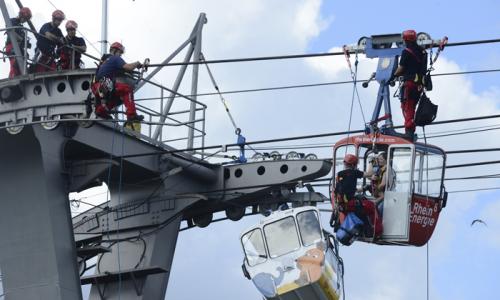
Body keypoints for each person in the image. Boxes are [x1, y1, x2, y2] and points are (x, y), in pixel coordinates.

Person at [92, 42, 144, 121]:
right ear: (114, 50)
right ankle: (131, 115)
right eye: (120, 52)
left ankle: (101, 110)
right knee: (127, 89)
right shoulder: (115, 58)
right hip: (105, 85)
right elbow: (128, 67)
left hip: (97, 87)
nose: (120, 55)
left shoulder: (104, 61)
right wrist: (137, 63)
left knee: (117, 98)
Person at [334, 154, 382, 238]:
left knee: (362, 207)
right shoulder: (354, 172)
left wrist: (363, 189)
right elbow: (370, 173)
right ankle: (377, 232)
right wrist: (371, 161)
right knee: (371, 206)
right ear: (353, 165)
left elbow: (344, 189)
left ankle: (366, 229)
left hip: (342, 206)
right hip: (350, 204)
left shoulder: (339, 174)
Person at [393, 29, 427, 140]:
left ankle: (409, 131)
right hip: (419, 86)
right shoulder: (422, 52)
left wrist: (392, 76)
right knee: (412, 106)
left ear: (406, 40)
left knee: (407, 107)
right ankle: (410, 129)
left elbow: (401, 69)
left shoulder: (406, 52)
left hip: (409, 84)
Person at [4, 7, 32, 78]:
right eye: (25, 18)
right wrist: (21, 39)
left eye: (27, 19)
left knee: (21, 66)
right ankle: (11, 80)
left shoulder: (20, 26)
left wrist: (26, 42)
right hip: (12, 46)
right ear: (21, 15)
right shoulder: (12, 21)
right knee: (15, 65)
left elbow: (21, 38)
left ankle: (18, 77)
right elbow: (11, 32)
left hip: (19, 48)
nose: (25, 20)